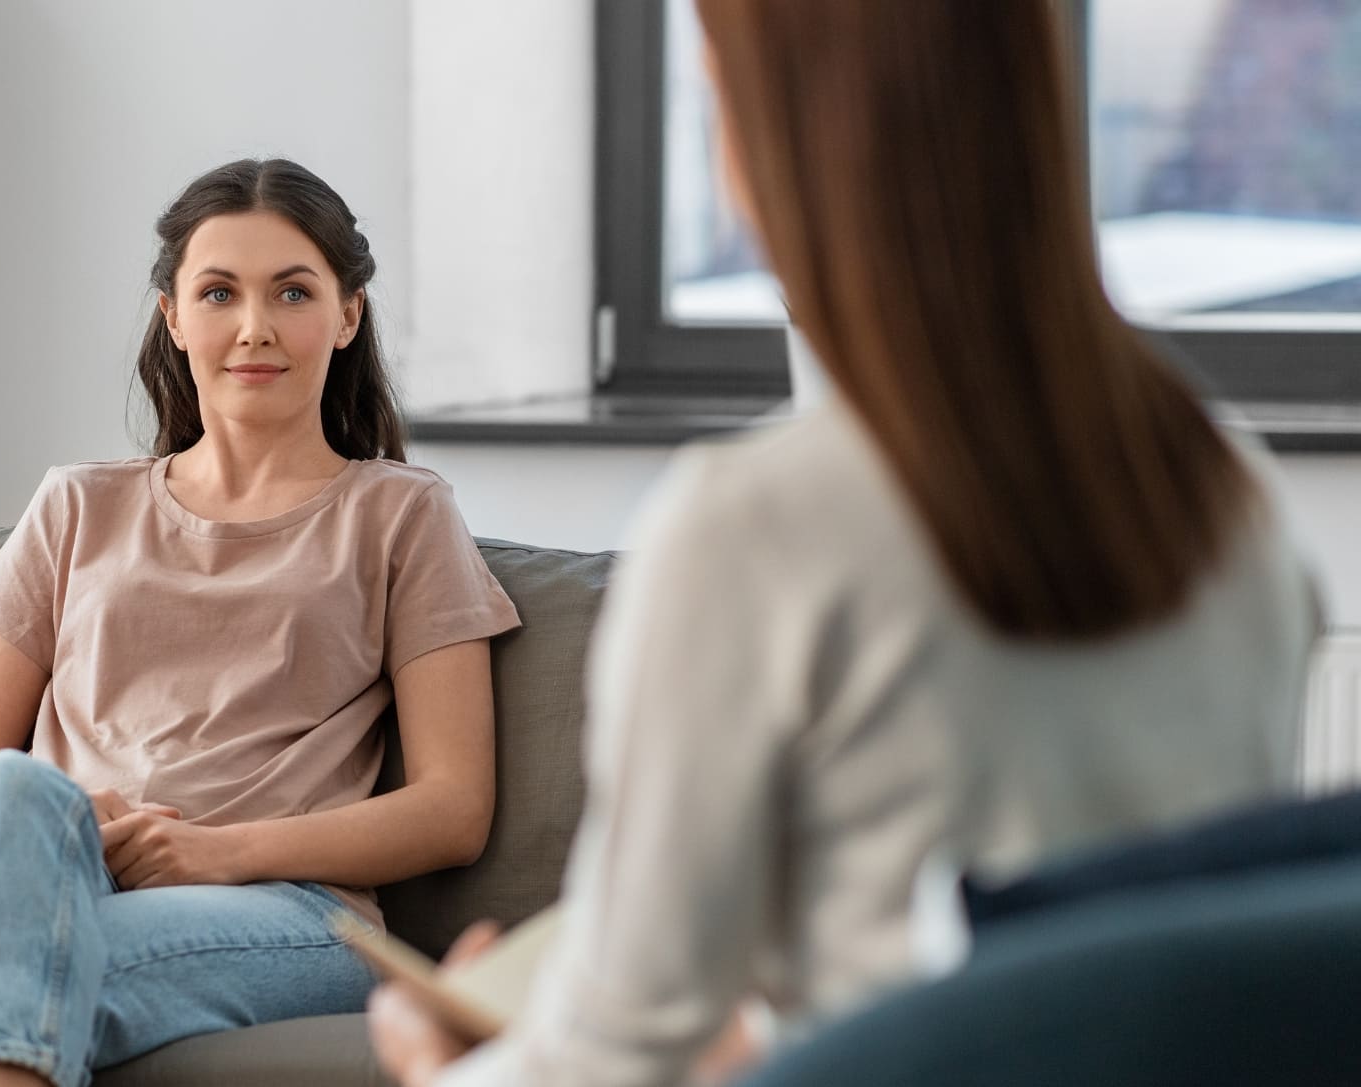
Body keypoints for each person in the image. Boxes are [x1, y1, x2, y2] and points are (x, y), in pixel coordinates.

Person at [367, 1, 1323, 1084]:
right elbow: (1108, 972)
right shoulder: (1228, 483)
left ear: (773, 126)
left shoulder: (755, 527)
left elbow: (614, 1053)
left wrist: (431, 1063)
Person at [0, 157, 522, 1087]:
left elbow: (453, 808)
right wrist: (73, 816)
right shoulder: (75, 505)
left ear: (347, 314)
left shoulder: (401, 515)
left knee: (2, 967)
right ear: (174, 317)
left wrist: (218, 851)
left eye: (293, 292)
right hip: (34, 873)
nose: (254, 327)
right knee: (8, 799)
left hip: (282, 909)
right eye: (219, 292)